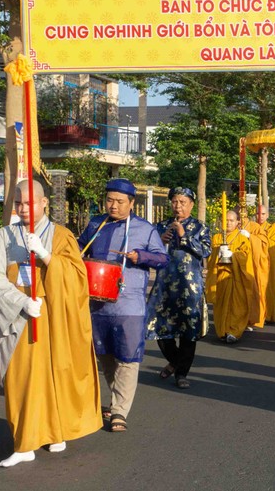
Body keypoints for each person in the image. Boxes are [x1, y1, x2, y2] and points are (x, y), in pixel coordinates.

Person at [0, 181, 102, 467]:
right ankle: (25, 443)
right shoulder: (3, 236)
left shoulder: (61, 236)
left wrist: (47, 256)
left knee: (54, 375)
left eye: (28, 203)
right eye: (17, 203)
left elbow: (77, 280)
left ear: (44, 203)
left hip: (53, 316)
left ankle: (54, 430)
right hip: (19, 315)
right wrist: (21, 302)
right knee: (22, 379)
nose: (23, 208)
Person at [77, 179, 169, 433]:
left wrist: (142, 257)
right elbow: (78, 248)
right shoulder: (96, 223)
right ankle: (116, 398)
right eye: (109, 200)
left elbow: (163, 259)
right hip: (97, 304)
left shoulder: (144, 229)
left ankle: (119, 410)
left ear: (131, 203)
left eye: (119, 202)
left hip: (129, 304)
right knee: (105, 354)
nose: (113, 206)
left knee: (128, 357)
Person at [147, 187, 212, 389]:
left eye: (183, 202)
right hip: (164, 287)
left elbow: (206, 251)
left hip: (189, 288)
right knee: (158, 328)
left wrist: (184, 236)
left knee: (187, 332)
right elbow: (149, 252)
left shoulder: (200, 227)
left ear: (191, 205)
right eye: (175, 202)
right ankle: (175, 361)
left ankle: (182, 373)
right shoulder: (161, 226)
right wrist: (159, 241)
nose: (178, 206)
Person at [206, 210, 256, 343]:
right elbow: (210, 259)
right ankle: (222, 330)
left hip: (236, 278)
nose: (228, 223)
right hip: (220, 278)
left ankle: (234, 331)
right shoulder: (216, 237)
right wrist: (217, 252)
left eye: (231, 220)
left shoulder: (241, 238)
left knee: (236, 305)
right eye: (225, 220)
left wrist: (232, 255)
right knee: (221, 306)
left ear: (237, 222)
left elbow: (246, 257)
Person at [255, 206, 275, 323]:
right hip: (254, 263)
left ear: (267, 216)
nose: (260, 216)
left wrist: (255, 240)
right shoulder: (252, 227)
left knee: (267, 289)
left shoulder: (271, 229)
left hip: (267, 264)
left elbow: (273, 245)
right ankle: (255, 315)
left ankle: (267, 314)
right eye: (258, 213)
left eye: (263, 214)